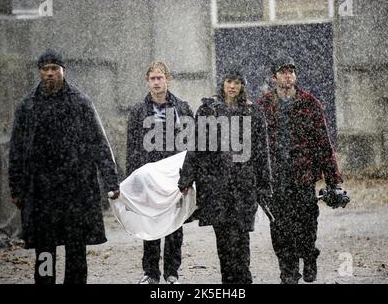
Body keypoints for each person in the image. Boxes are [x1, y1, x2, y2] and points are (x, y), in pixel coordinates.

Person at [8, 49, 120, 284]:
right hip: (42, 190)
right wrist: (16, 187)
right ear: (40, 72)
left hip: (75, 189)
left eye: (54, 69)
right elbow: (16, 149)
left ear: (63, 71)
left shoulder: (80, 102)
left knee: (76, 247)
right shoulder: (28, 106)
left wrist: (111, 180)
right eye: (45, 69)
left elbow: (99, 142)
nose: (49, 74)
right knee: (45, 248)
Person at [257, 55, 349, 284]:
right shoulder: (263, 106)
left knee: (307, 222)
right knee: (279, 225)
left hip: (303, 175)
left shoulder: (310, 103)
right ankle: (288, 271)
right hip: (276, 176)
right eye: (283, 71)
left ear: (295, 75)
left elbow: (323, 144)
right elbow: (255, 144)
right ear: (274, 77)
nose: (288, 75)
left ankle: (309, 256)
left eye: (291, 71)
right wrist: (254, 176)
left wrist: (333, 181)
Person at [178, 69, 273, 284]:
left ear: (242, 86)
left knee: (241, 237)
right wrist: (186, 178)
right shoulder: (208, 111)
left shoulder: (252, 113)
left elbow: (261, 151)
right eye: (229, 81)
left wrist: (264, 185)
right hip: (216, 185)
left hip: (243, 185)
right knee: (223, 239)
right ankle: (229, 282)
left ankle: (243, 280)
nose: (232, 86)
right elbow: (196, 147)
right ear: (223, 84)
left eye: (237, 82)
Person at [125, 61, 194, 284]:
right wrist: (131, 182)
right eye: (152, 78)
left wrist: (189, 176)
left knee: (175, 226)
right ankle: (150, 273)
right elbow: (133, 147)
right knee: (151, 224)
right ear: (147, 81)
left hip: (174, 176)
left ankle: (172, 272)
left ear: (168, 79)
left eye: (160, 78)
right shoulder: (138, 111)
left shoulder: (182, 108)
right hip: (148, 177)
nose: (156, 82)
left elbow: (192, 143)